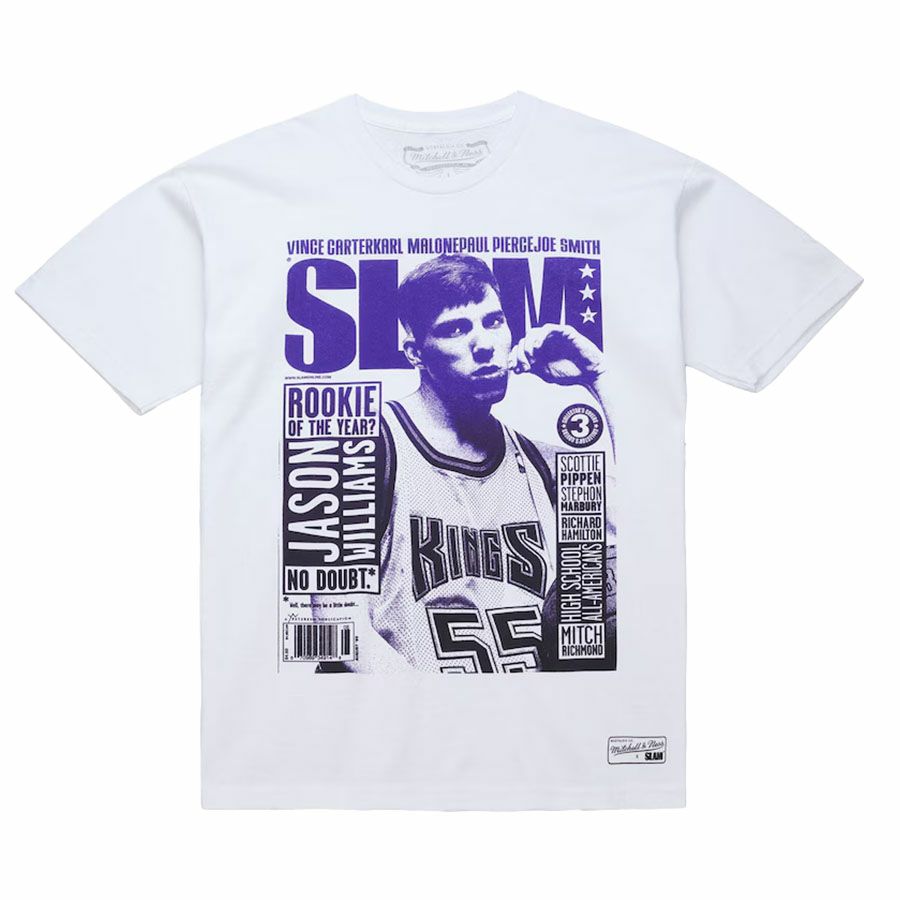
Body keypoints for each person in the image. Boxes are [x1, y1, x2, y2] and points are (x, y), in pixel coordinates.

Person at [319, 253, 616, 673]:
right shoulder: (363, 447)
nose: (484, 344)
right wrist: (431, 708)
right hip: (407, 710)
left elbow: (649, 537)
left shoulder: (545, 465)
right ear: (415, 353)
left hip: (528, 712)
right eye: (456, 329)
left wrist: (598, 377)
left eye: (493, 321)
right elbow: (336, 626)